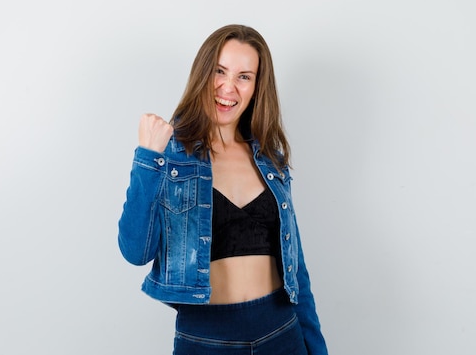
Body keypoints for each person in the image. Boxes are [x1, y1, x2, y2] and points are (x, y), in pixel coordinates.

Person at [118, 24, 328, 355]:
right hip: (206, 340)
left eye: (244, 76)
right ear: (204, 73)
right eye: (220, 70)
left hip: (281, 333)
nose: (228, 87)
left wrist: (316, 348)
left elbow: (296, 269)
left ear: (257, 87)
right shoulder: (171, 155)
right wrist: (147, 158)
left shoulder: (270, 159)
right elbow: (135, 250)